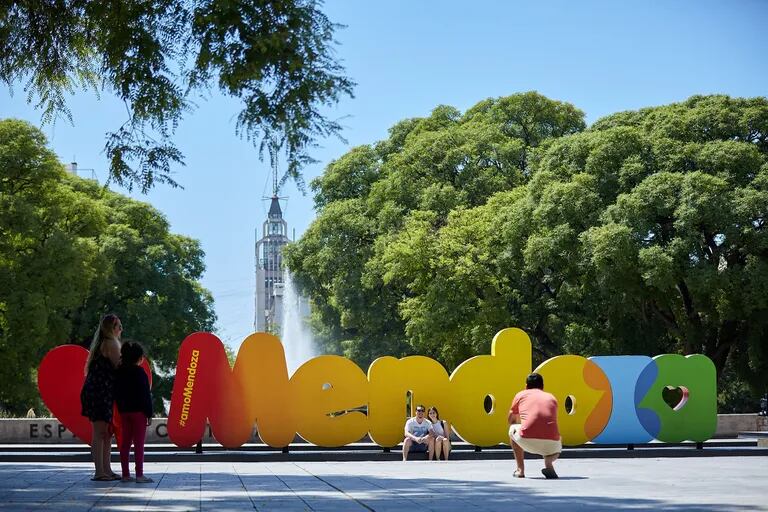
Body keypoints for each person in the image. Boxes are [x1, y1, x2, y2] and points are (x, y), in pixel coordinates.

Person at [80, 313, 122, 481]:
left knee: (105, 433)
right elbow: (119, 366)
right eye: (118, 326)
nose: (121, 329)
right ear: (111, 328)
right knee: (100, 433)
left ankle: (106, 470)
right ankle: (100, 471)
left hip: (98, 392)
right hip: (100, 392)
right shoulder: (111, 343)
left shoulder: (103, 344)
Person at [508, 372, 562, 479]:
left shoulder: (520, 395)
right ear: (542, 386)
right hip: (552, 444)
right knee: (557, 438)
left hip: (527, 439)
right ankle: (549, 462)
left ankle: (520, 470)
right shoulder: (551, 397)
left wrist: (522, 421)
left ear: (526, 386)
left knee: (512, 429)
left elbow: (511, 420)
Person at [114, 341, 154, 483]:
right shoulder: (140, 372)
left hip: (124, 411)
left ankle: (125, 474)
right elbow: (145, 394)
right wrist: (149, 413)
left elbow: (116, 392)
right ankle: (139, 474)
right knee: (138, 444)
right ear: (139, 357)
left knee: (125, 443)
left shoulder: (119, 372)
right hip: (139, 412)